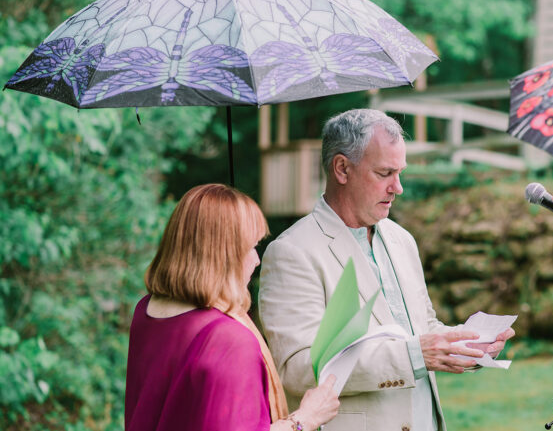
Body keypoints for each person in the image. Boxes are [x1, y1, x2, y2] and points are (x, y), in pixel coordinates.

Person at [258, 109, 515, 431]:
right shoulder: (292, 252)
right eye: (384, 173)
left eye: (400, 172)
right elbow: (295, 369)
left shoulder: (400, 238)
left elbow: (422, 326)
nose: (399, 187)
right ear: (342, 169)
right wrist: (414, 356)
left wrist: (465, 345)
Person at [124, 184, 339, 431]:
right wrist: (306, 419)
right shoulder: (229, 341)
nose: (256, 260)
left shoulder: (146, 311)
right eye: (250, 247)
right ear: (222, 254)